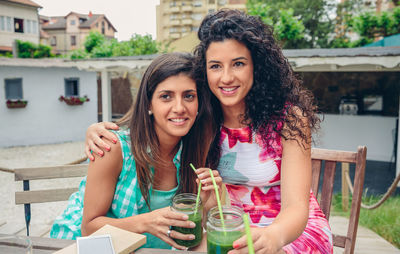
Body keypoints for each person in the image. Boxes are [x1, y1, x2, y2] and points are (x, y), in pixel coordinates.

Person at [85, 10, 333, 254]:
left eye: (238, 64)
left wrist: (273, 236)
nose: (226, 77)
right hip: (224, 229)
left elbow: (296, 207)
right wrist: (96, 130)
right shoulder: (201, 117)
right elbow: (153, 118)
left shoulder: (288, 119)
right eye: (215, 66)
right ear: (205, 70)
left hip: (287, 232)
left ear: (257, 66)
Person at [50, 52, 223, 251]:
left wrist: (206, 204)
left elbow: (188, 229)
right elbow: (89, 228)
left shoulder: (197, 148)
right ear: (149, 103)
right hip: (84, 246)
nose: (179, 107)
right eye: (166, 96)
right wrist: (146, 222)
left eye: (189, 96)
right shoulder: (113, 146)